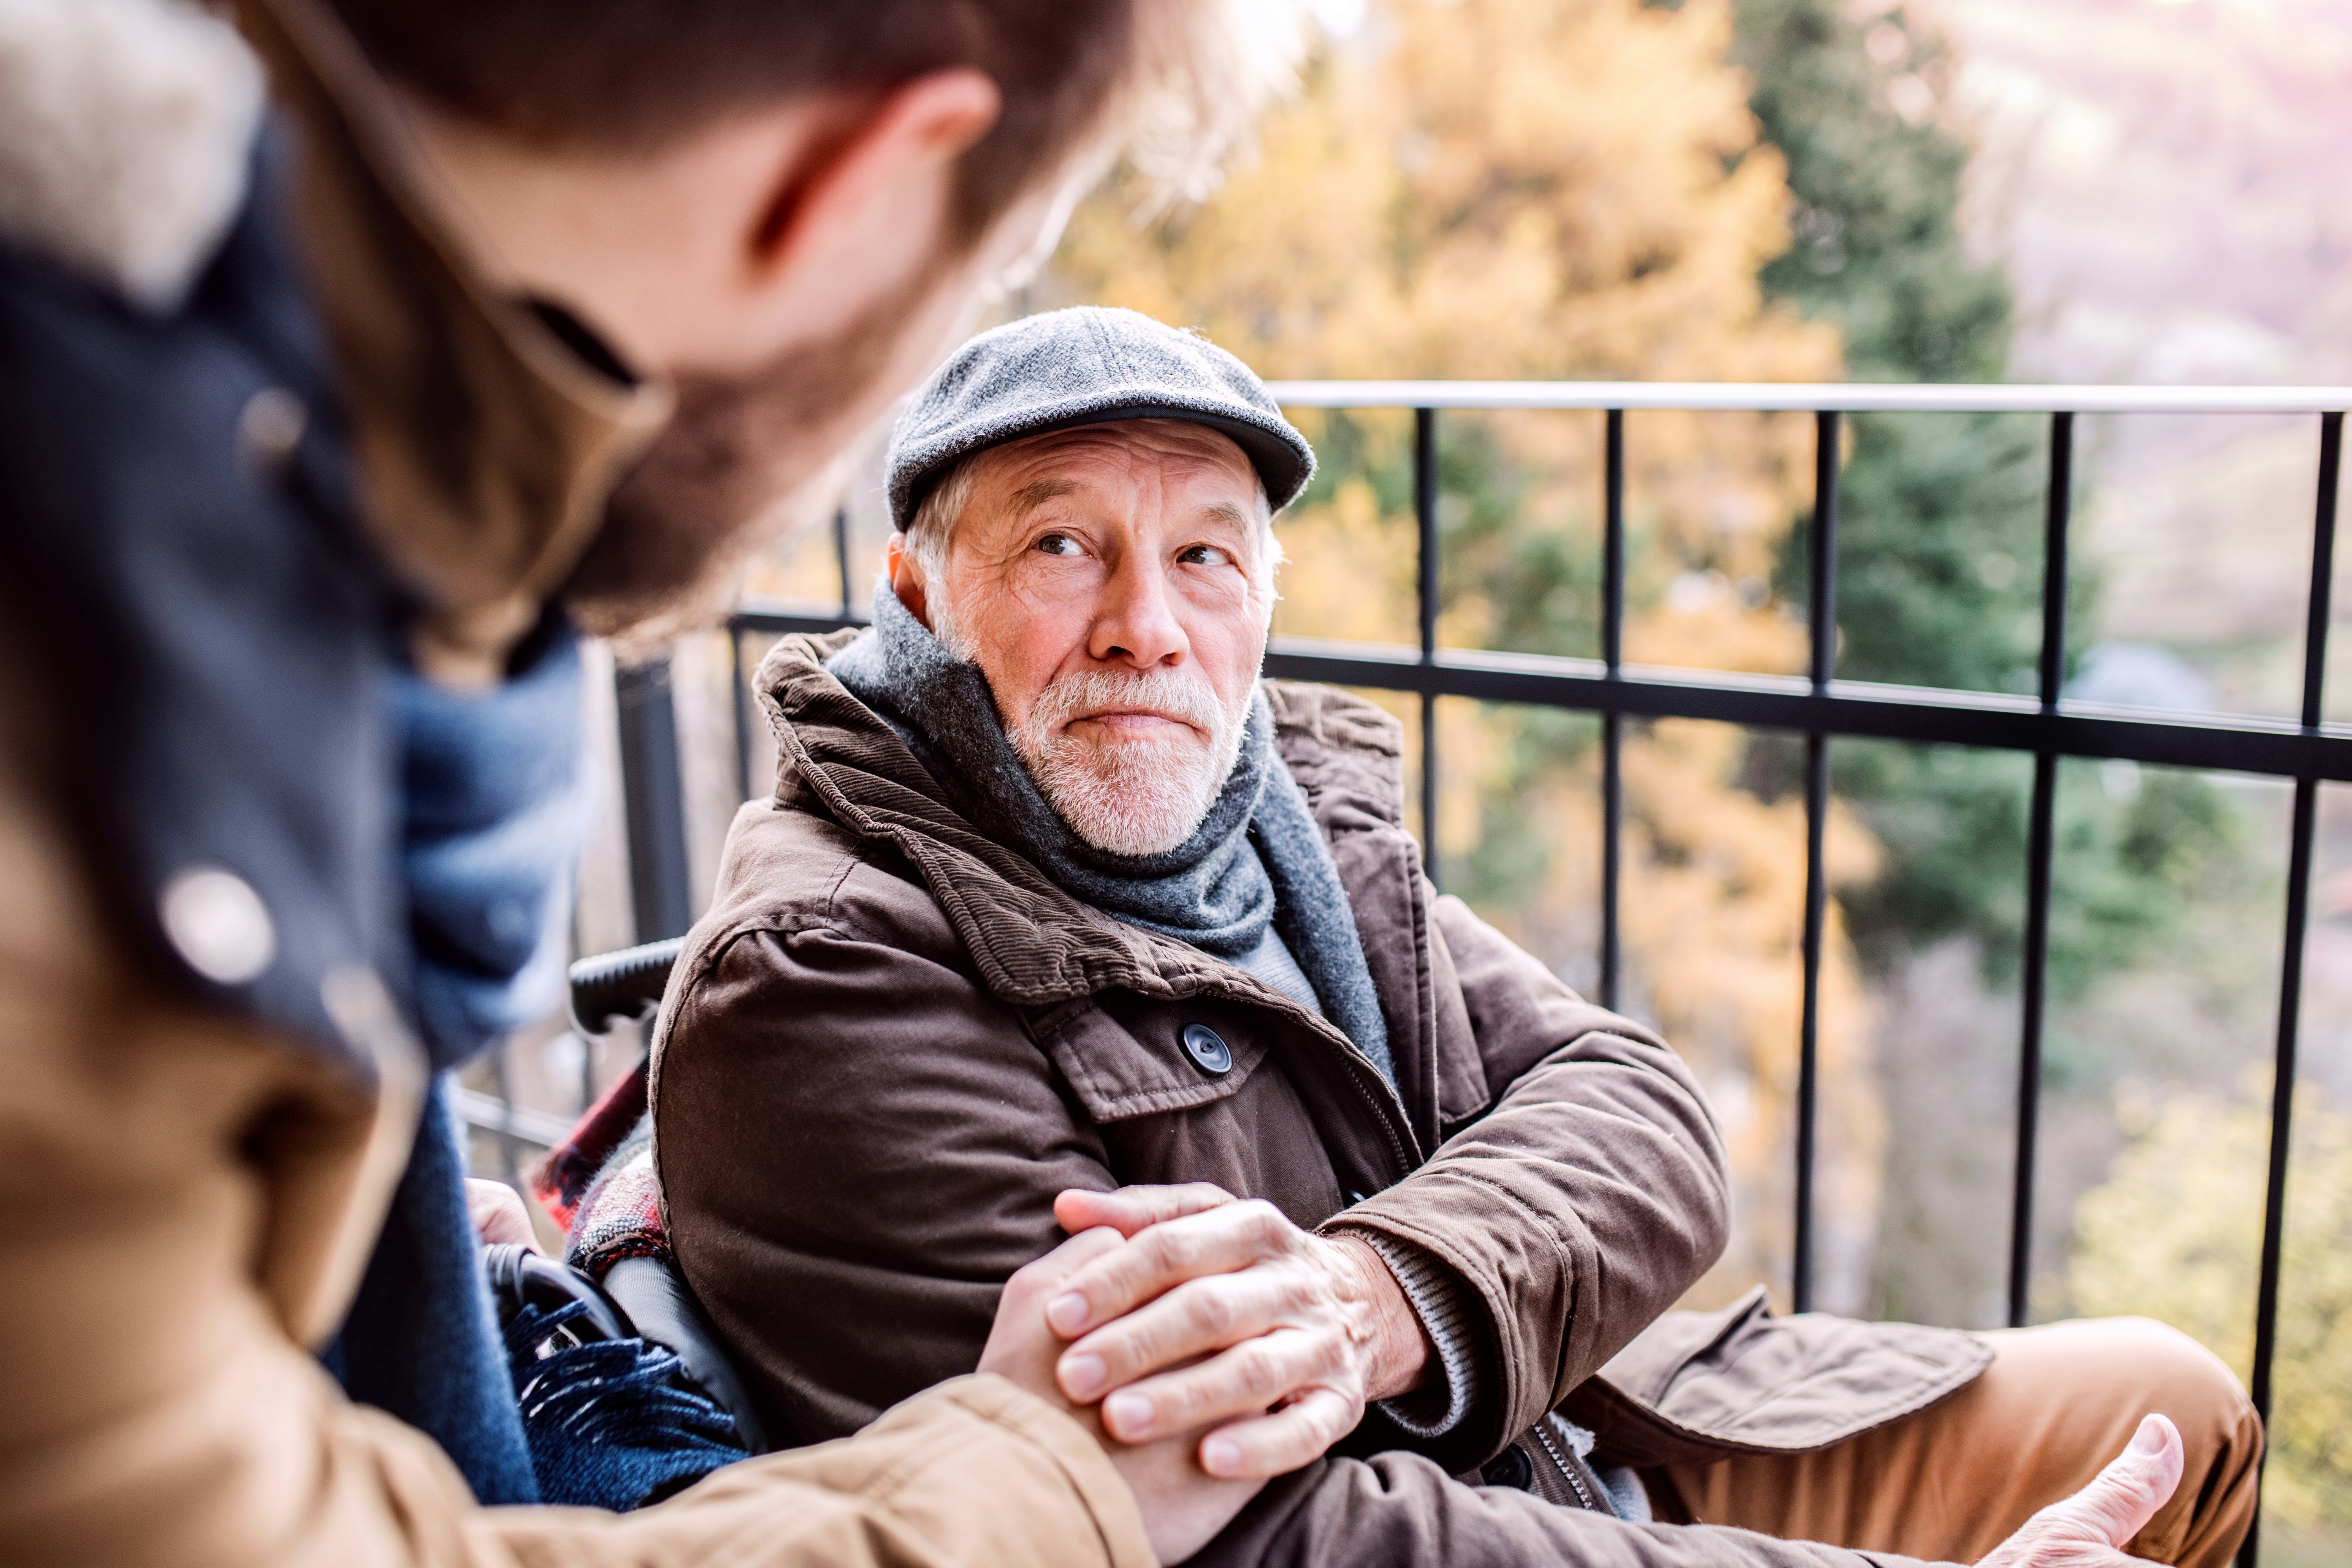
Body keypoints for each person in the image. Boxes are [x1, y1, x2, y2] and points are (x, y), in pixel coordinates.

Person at [634, 305, 2266, 1568]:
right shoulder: (824, 979)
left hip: (1574, 1435)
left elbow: (1641, 1115)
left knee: (2172, 1411)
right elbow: (1239, 1539)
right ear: (918, 595)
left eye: (1204, 556)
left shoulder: (1275, 818)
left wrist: (1374, 1298)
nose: (1148, 625)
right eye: (1064, 546)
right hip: (1417, 1526)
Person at [0, 2, 1294, 1563]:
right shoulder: (88, 832)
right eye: (980, 276)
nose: (1149, 627)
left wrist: (380, 1283)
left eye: (1209, 555)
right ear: (859, 184)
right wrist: (1042, 1489)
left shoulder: (214, 512)